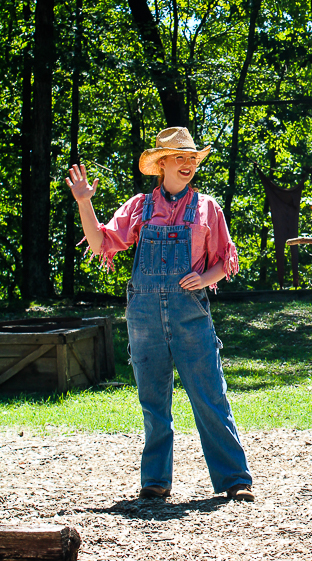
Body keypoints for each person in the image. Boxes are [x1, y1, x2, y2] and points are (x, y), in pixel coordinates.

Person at [65, 127, 254, 502]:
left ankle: (235, 479)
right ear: (162, 164)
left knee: (210, 395)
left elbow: (224, 262)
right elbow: (102, 241)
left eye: (192, 159)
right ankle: (155, 481)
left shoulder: (207, 208)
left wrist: (203, 278)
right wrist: (84, 202)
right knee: (153, 401)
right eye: (179, 158)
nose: (187, 165)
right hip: (144, 316)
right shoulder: (139, 207)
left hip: (190, 315)